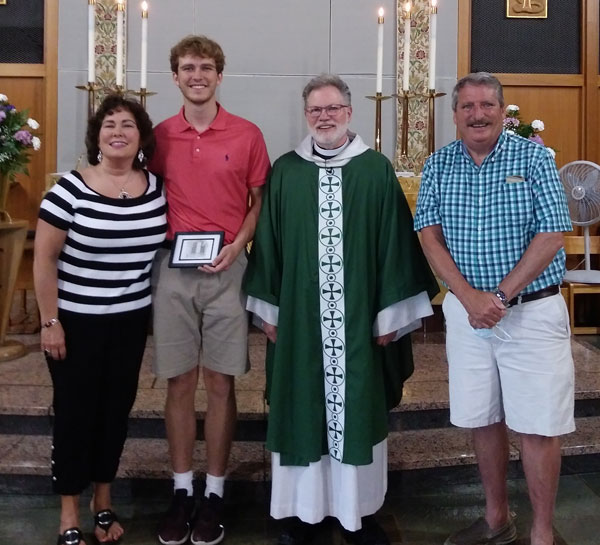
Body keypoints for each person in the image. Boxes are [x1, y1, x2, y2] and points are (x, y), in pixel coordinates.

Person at [243, 74, 439, 545]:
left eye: (333, 108)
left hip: (358, 326)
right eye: (315, 110)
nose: (324, 117)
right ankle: (300, 511)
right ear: (306, 115)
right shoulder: (286, 171)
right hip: (299, 322)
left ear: (350, 113)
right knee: (299, 402)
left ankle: (358, 510)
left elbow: (395, 244)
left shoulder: (375, 170)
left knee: (357, 405)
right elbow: (267, 244)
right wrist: (268, 309)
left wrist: (389, 316)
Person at [414, 72, 575, 545]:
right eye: (467, 106)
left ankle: (542, 533)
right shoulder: (440, 164)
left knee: (538, 424)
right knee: (482, 418)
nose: (477, 114)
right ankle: (496, 519)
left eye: (486, 105)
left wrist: (499, 296)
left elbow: (552, 233)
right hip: (469, 318)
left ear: (503, 112)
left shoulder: (534, 158)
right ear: (456, 114)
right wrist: (468, 297)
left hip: (530, 312)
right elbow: (429, 234)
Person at [148, 35, 270, 545]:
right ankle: (181, 491)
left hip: (226, 268)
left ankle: (215, 492)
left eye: (205, 67)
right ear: (174, 77)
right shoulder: (157, 137)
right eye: (186, 68)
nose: (196, 75)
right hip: (173, 268)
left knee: (221, 382)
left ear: (220, 75)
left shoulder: (246, 134)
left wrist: (239, 243)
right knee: (179, 382)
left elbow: (257, 199)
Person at [34, 94, 167, 545]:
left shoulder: (156, 188)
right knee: (75, 415)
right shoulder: (68, 190)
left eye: (128, 125)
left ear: (141, 136)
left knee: (114, 415)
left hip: (128, 324)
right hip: (75, 323)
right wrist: (50, 321)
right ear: (97, 137)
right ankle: (69, 510)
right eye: (109, 124)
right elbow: (44, 260)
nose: (118, 132)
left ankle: (103, 503)